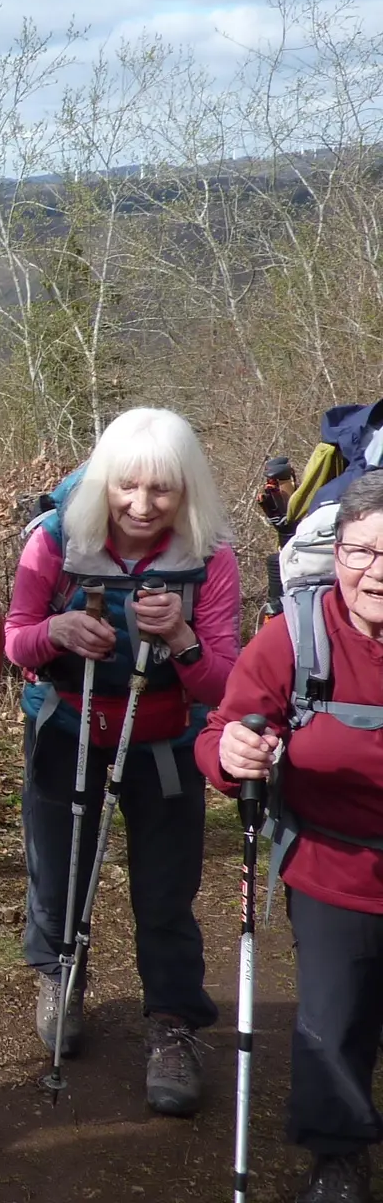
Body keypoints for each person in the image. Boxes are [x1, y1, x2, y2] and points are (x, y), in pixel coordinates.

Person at [4, 408, 240, 1117]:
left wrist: (184, 640)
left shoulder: (210, 557)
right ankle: (60, 974)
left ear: (186, 489)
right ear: (103, 480)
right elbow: (15, 641)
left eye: (161, 489)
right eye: (127, 486)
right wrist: (57, 631)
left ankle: (171, 1021)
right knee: (57, 870)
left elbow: (225, 683)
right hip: (66, 728)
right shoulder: (55, 539)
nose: (141, 505)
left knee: (166, 890)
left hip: (164, 741)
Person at [198, 468, 383, 1203]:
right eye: (361, 552)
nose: (376, 572)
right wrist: (234, 755)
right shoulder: (296, 637)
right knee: (335, 1020)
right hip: (333, 868)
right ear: (337, 555)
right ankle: (337, 1161)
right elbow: (221, 732)